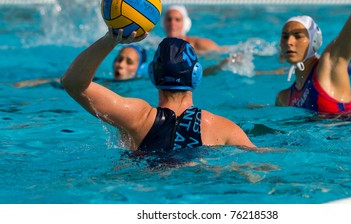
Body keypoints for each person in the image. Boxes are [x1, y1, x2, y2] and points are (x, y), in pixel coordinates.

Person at [60, 30, 256, 151]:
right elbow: (261, 164)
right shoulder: (222, 127)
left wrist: (110, 40)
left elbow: (72, 82)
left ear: (153, 74)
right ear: (196, 74)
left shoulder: (136, 117)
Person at [13, 44, 147, 88]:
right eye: (119, 59)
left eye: (129, 62)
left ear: (140, 68)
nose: (121, 65)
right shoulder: (101, 83)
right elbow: (63, 82)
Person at [163, 4, 229, 54]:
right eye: (169, 19)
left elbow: (223, 51)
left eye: (177, 20)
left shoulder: (200, 44)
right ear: (164, 23)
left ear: (185, 24)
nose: (172, 23)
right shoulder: (160, 46)